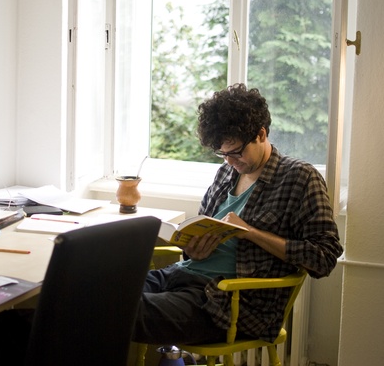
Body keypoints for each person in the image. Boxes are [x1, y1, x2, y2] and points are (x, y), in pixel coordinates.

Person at [132, 83, 343, 345]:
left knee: (122, 311)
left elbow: (324, 257)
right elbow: (199, 233)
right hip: (180, 276)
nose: (230, 162)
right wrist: (194, 250)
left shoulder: (300, 177)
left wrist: (252, 233)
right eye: (223, 154)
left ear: (261, 134)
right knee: (97, 291)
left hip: (224, 302)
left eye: (236, 152)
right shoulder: (226, 174)